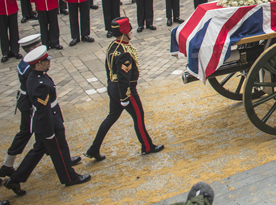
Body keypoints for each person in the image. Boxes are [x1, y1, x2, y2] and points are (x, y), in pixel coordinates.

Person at [3, 45, 90, 195]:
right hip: (48, 122)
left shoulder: (36, 76)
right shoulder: (40, 84)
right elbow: (44, 111)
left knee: (38, 150)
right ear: (38, 64)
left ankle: (15, 179)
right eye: (45, 61)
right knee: (60, 149)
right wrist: (49, 132)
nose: (48, 62)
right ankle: (69, 177)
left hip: (43, 121)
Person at [85, 16, 163, 160]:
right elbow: (123, 77)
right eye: (129, 31)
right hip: (125, 90)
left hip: (113, 87)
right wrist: (125, 97)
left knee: (111, 117)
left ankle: (94, 148)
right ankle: (147, 146)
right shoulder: (124, 53)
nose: (131, 33)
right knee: (138, 117)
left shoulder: (113, 46)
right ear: (124, 33)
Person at [0, 34, 42, 181]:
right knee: (27, 132)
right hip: (30, 103)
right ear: (32, 49)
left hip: (26, 101)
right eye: (38, 46)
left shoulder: (25, 63)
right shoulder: (31, 67)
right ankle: (8, 164)